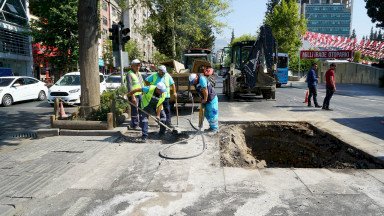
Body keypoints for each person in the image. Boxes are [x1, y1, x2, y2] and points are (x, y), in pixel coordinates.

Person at [126, 59, 145, 130]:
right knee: (134, 110)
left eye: (139, 65)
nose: (138, 67)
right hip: (133, 95)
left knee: (141, 110)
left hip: (140, 94)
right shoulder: (129, 74)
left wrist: (143, 93)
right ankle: (134, 125)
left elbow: (141, 84)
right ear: (132, 66)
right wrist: (132, 97)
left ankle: (141, 124)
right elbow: (129, 86)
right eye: (136, 65)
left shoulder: (139, 73)